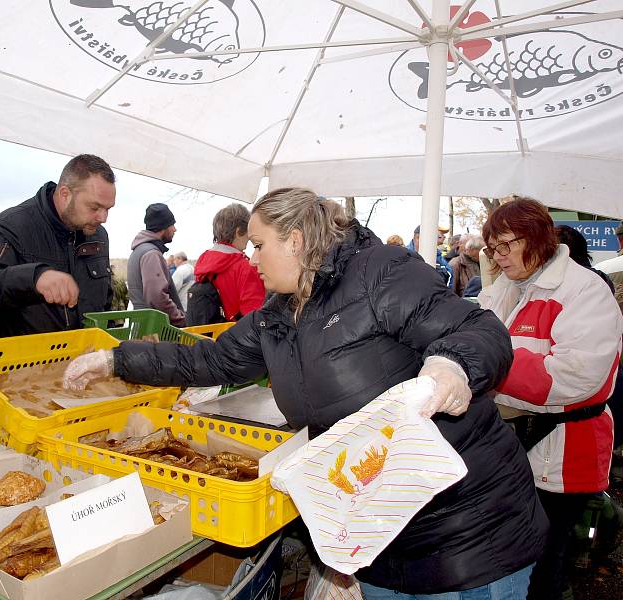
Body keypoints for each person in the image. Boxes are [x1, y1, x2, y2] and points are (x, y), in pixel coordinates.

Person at [65, 187, 547, 599]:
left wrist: (451, 366)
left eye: (258, 245)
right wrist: (115, 358)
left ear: (294, 241)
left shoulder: (380, 272)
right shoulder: (278, 315)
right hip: (377, 535)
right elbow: (206, 360)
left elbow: (475, 327)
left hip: (467, 530)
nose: (250, 258)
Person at [478, 197, 623, 600]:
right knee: (512, 557)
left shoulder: (584, 290)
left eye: (507, 245)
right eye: (493, 248)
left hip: (565, 455)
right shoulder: (505, 287)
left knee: (546, 563)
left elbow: (575, 376)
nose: (499, 257)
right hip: (514, 447)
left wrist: (490, 364)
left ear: (538, 238)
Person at [0, 154, 115, 339]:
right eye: (94, 207)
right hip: (20, 363)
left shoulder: (97, 235)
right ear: (65, 194)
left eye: (108, 209)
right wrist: (33, 277)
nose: (103, 218)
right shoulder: (12, 226)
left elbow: (105, 303)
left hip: (84, 360)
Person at [193, 203, 266, 322]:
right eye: (248, 231)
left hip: (207, 334)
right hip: (236, 336)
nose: (249, 238)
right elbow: (254, 315)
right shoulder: (245, 267)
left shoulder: (203, 261)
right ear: (238, 232)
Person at [127, 202, 185, 325]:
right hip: (154, 329)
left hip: (143, 325)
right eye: (172, 225)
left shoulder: (140, 250)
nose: (175, 229)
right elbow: (157, 298)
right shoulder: (151, 254)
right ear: (163, 227)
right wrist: (179, 318)